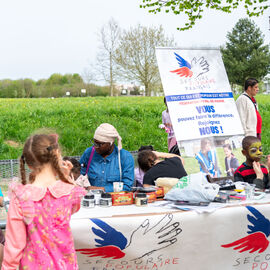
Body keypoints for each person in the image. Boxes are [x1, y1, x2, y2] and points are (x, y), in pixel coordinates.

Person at [2, 134, 86, 269]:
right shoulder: (69, 192)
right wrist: (66, 178)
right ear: (57, 155)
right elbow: (74, 208)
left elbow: (14, 246)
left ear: (28, 163)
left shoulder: (21, 197)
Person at [80, 123, 134, 192]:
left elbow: (127, 186)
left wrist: (101, 189)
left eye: (100, 144)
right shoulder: (89, 153)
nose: (95, 146)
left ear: (111, 143)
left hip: (115, 200)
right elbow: (79, 176)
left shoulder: (125, 157)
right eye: (94, 142)